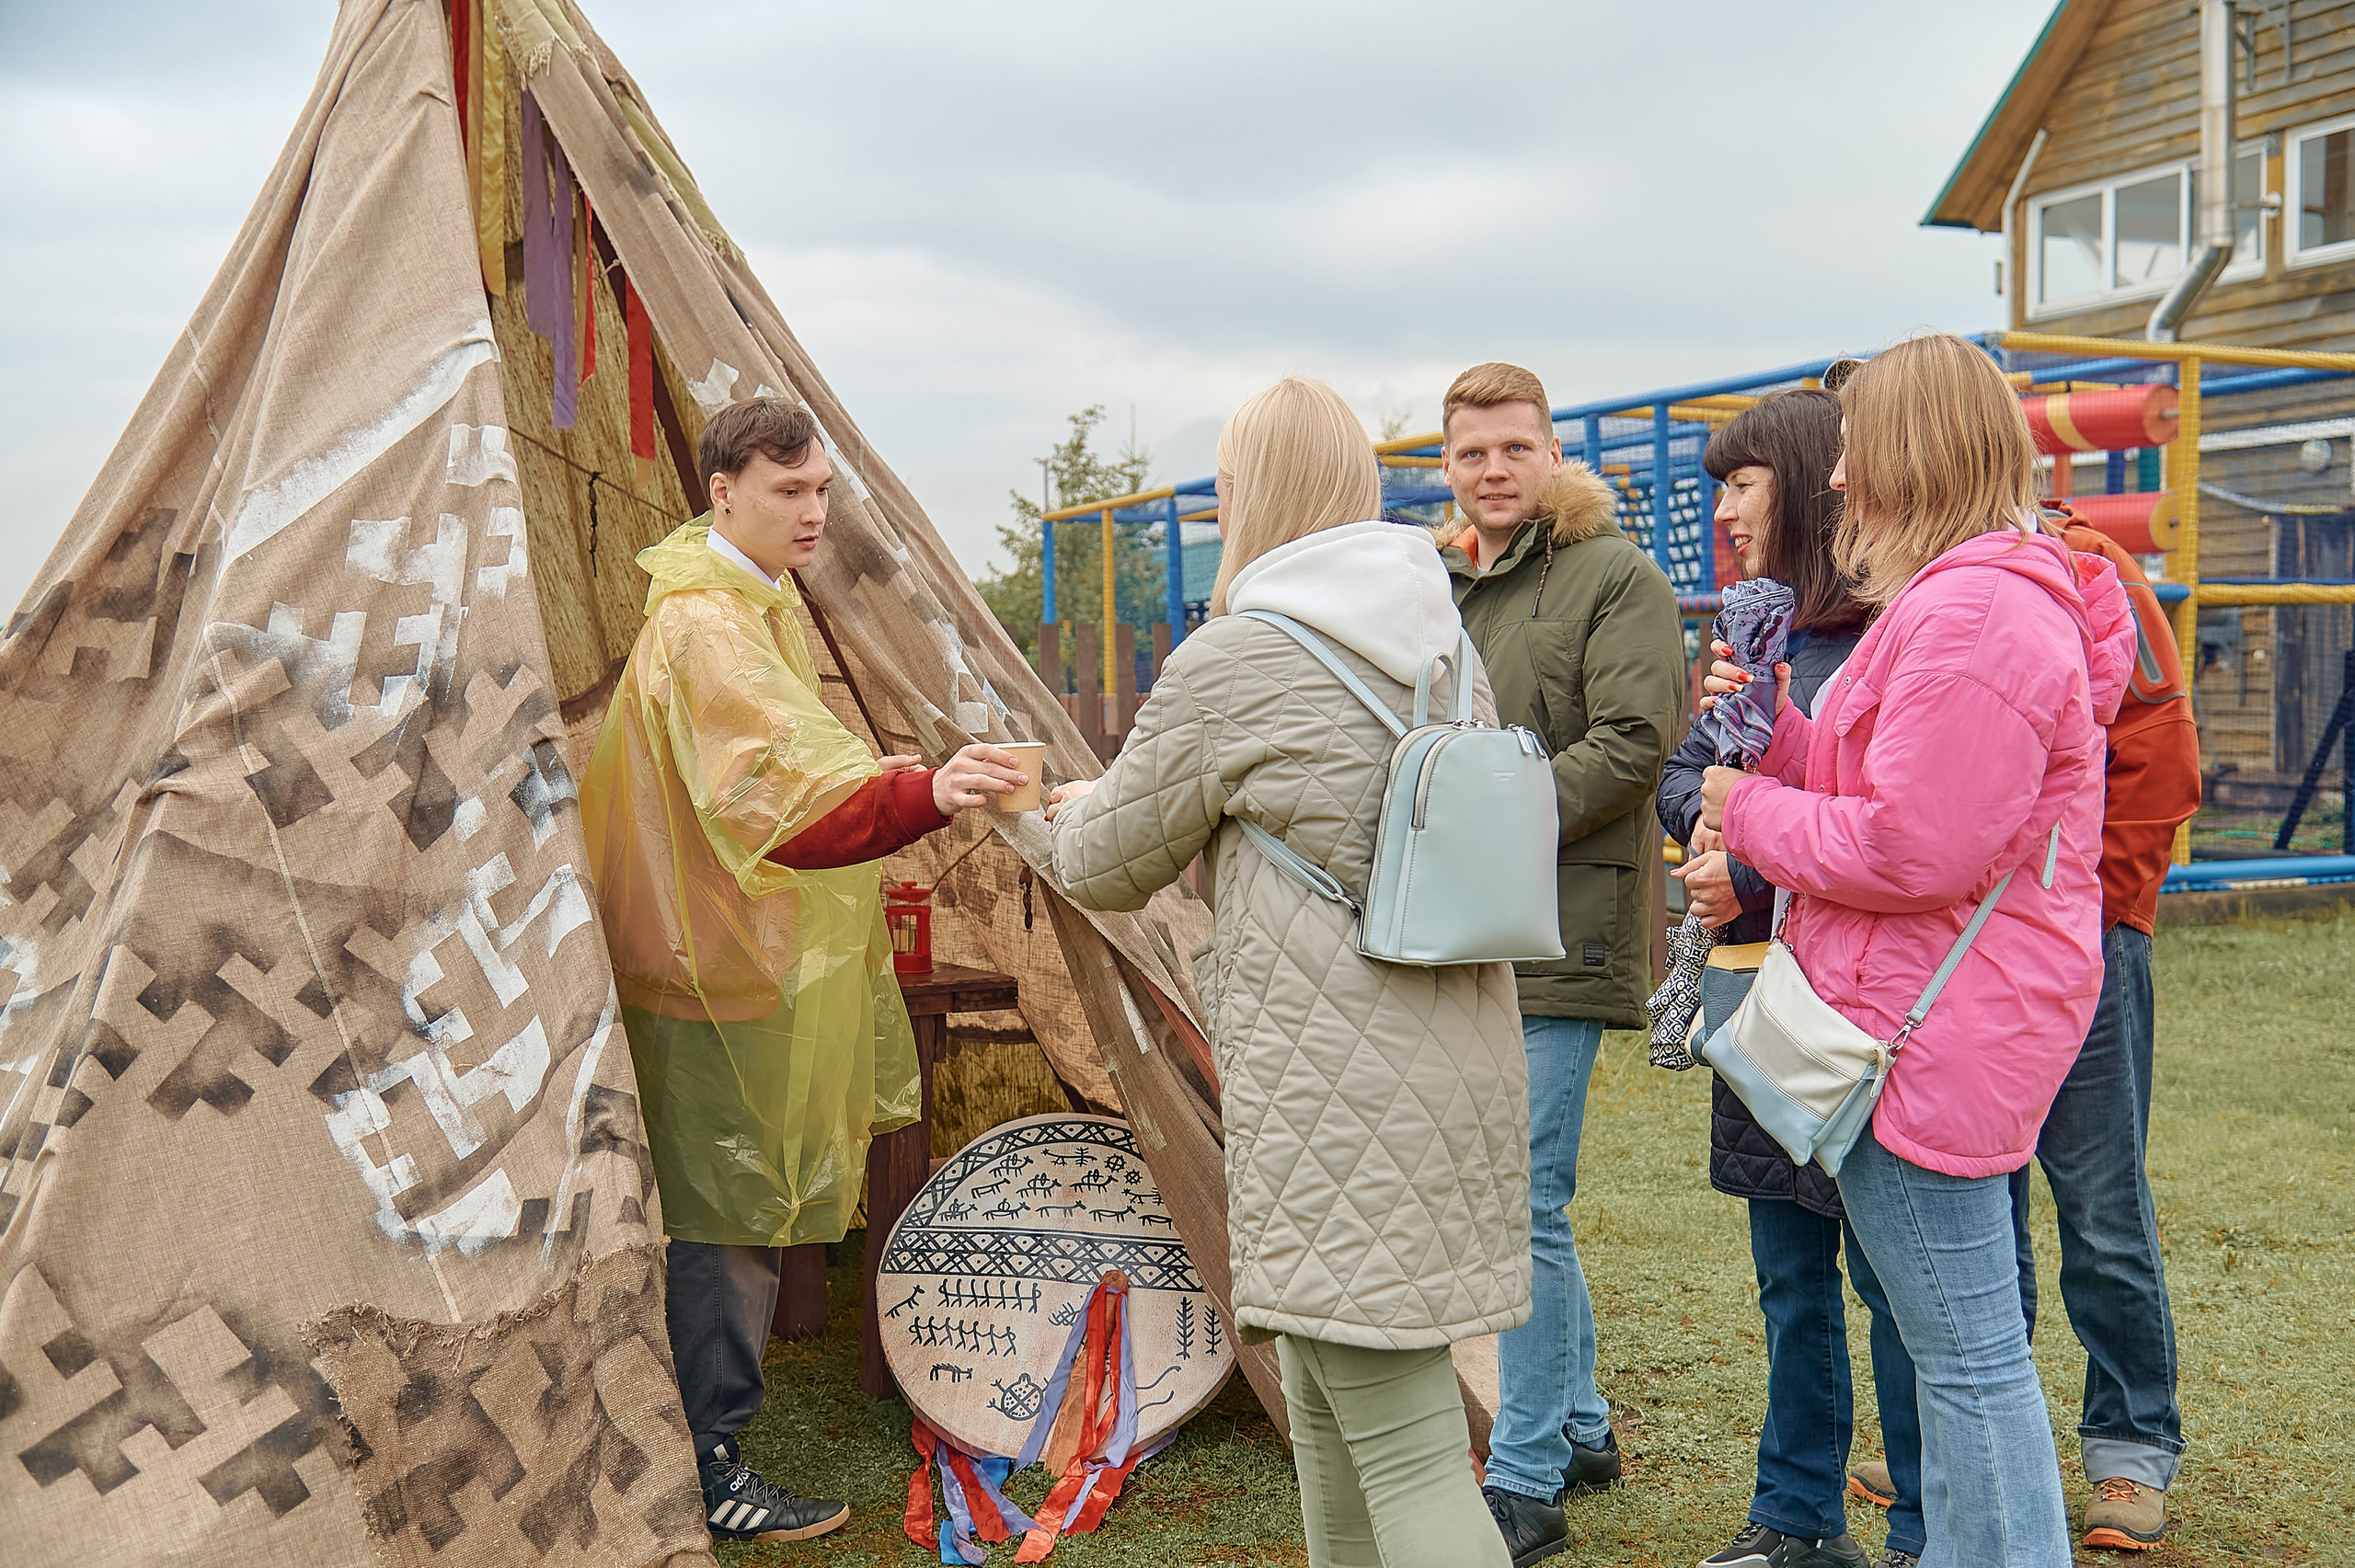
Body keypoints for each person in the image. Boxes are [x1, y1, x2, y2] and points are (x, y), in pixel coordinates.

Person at [1046, 377, 1530, 1568]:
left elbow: (1106, 858)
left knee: (1409, 1456)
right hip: (1441, 1071)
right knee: (1325, 1411)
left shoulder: (1239, 656)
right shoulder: (1440, 647)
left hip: (1333, 1096)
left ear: (1256, 491)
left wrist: (1043, 812)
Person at [1695, 332, 2136, 1568]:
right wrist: (1778, 734)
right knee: (1961, 1367)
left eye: (1859, 454)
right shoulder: (1960, 601)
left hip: (1926, 1040)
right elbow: (1894, 794)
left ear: (1916, 455)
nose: (1834, 482)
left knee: (1972, 1367)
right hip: (1926, 1024)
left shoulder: (1976, 613)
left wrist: (1748, 813)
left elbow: (1915, 848)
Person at [580, 398, 1028, 1545]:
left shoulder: (749, 606)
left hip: (725, 954)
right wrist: (923, 789)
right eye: (789, 490)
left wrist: (885, 776)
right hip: (709, 965)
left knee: (733, 1207)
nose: (814, 510)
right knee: (724, 1219)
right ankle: (706, 1462)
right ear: (721, 490)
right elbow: (775, 803)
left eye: (822, 488)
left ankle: (702, 1440)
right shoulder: (710, 625)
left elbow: (782, 763)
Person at [1845, 498, 2201, 1556]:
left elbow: (2164, 760)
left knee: (2099, 1199)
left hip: (2068, 941)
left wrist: (2093, 909)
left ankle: (2129, 1444)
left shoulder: (2084, 568)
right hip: (1965, 960)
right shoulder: (1910, 581)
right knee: (1972, 1194)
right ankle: (1992, 1433)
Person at [1434, 363, 1686, 1567]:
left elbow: (1632, 746)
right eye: (1473, 452)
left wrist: (1493, 817)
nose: (1494, 471)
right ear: (1449, 464)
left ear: (1551, 454)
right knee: (1520, 1195)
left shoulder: (1614, 577)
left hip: (1562, 920)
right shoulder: (1437, 587)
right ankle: (1581, 1426)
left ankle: (1525, 1478)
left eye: (1514, 449)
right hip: (1457, 929)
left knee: (1517, 1199)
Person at [1655, 390, 1910, 1568]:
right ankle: (1798, 1519)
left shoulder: (1885, 640)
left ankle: (1922, 1520)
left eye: (1740, 481)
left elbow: (1889, 830)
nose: (1723, 509)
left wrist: (1744, 869)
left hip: (1860, 1009)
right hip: (1757, 1003)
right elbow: (1679, 781)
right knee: (1788, 1280)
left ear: (1803, 484)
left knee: (1892, 1280)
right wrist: (1713, 831)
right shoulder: (1757, 637)